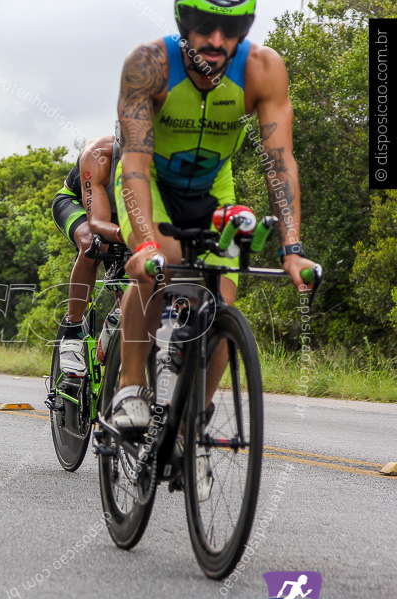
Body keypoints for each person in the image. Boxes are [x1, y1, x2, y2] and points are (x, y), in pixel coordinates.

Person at [111, 0, 319, 432]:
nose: (216, 40)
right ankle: (131, 384)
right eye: (204, 27)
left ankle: (193, 424)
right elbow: (134, 164)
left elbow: (280, 163)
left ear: (244, 29)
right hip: (152, 182)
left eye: (230, 28)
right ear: (183, 23)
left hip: (212, 187)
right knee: (157, 268)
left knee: (220, 303)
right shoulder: (149, 64)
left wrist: (293, 248)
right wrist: (145, 241)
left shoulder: (263, 69)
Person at [51, 133, 124, 377]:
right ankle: (72, 332)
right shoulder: (98, 153)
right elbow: (98, 223)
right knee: (93, 243)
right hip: (79, 206)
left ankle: (120, 319)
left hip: (121, 218)